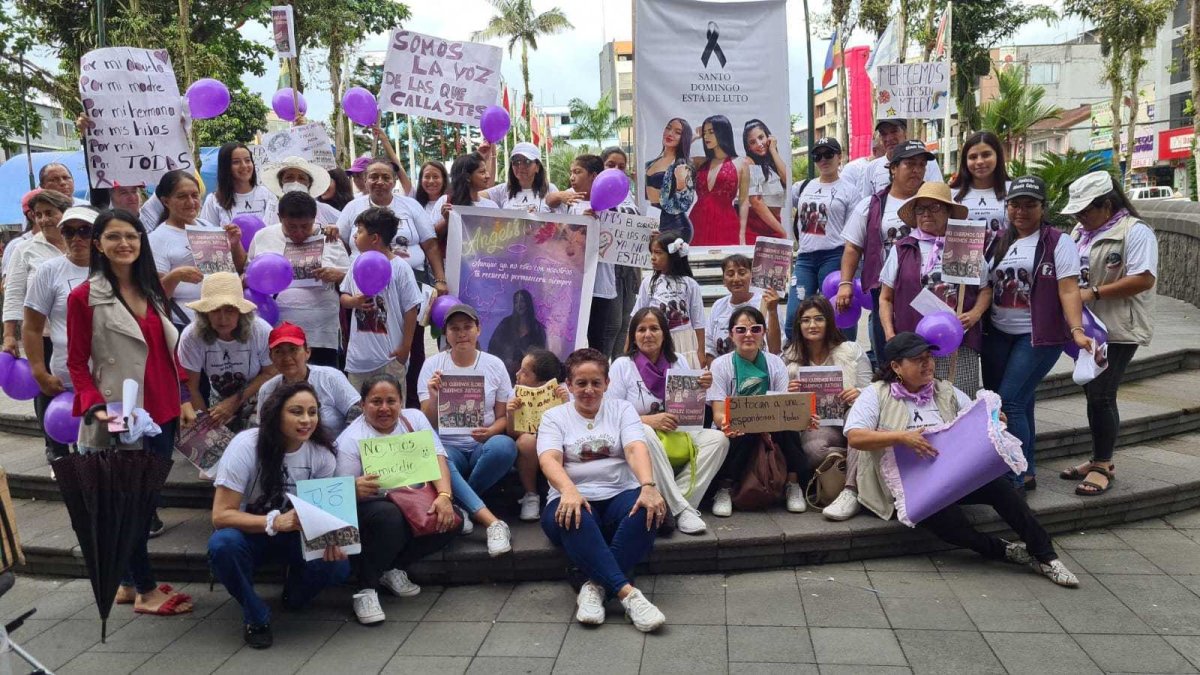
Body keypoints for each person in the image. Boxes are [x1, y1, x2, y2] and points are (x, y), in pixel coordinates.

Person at [843, 332, 1080, 587]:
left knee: (1002, 488)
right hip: (909, 487)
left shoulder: (944, 390)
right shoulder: (876, 394)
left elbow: (974, 419)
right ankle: (1002, 550)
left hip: (952, 477)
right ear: (896, 366)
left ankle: (1046, 555)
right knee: (949, 523)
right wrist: (901, 438)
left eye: (929, 357)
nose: (928, 364)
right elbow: (855, 437)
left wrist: (994, 420)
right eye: (917, 360)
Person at [67, 208, 195, 613]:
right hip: (120, 414)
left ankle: (125, 581)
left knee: (143, 499)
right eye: (114, 237)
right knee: (134, 506)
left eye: (132, 236)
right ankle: (145, 590)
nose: (124, 244)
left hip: (162, 412)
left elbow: (166, 353)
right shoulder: (84, 297)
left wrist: (185, 397)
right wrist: (96, 408)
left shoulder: (151, 289)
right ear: (99, 244)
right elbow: (75, 362)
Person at [209, 382, 352, 648]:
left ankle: (294, 594)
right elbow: (220, 516)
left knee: (339, 564)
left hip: (297, 535)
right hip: (249, 533)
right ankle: (256, 615)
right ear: (276, 413)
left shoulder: (322, 453)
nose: (306, 420)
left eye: (312, 412)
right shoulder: (245, 445)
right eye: (296, 411)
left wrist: (334, 538)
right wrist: (274, 521)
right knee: (222, 544)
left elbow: (324, 510)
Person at [537, 348, 668, 632]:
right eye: (581, 383)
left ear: (607, 383)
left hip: (620, 493)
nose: (589, 390)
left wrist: (647, 485)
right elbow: (549, 458)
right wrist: (569, 490)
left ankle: (593, 588)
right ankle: (629, 596)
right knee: (572, 515)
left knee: (649, 510)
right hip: (572, 495)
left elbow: (635, 448)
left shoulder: (622, 409)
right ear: (568, 385)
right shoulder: (554, 417)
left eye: (596, 382)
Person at [982, 176, 1092, 492]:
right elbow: (986, 285)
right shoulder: (998, 241)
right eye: (1016, 204)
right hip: (999, 333)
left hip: (1038, 336)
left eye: (1030, 204)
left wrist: (1076, 330)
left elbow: (1069, 289)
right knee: (1021, 401)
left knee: (1009, 402)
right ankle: (1027, 468)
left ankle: (1013, 476)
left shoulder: (1058, 242)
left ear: (1043, 207)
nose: (1022, 211)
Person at [1058, 171, 1159, 496]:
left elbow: (1144, 278)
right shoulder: (1080, 231)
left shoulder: (1135, 232)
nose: (1079, 217)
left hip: (1118, 328)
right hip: (1089, 326)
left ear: (1107, 204)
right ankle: (1099, 459)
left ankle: (1103, 465)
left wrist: (1094, 293)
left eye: (1085, 211)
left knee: (1102, 394)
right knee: (1093, 391)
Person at [334, 374, 459, 624]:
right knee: (389, 517)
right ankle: (366, 589)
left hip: (413, 498)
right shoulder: (350, 440)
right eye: (375, 402)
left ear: (401, 402)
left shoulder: (414, 418)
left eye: (391, 401)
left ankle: (391, 568)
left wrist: (444, 496)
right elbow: (340, 499)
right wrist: (353, 488)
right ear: (362, 404)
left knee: (452, 519)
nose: (384, 408)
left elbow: (437, 457)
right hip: (371, 508)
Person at [609, 308, 729, 535]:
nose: (648, 334)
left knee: (719, 439)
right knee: (641, 430)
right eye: (641, 329)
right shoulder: (622, 366)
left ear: (664, 333)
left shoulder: (679, 361)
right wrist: (649, 420)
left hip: (677, 433)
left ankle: (677, 504)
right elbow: (612, 416)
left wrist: (702, 388)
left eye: (654, 328)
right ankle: (682, 510)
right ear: (633, 335)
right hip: (640, 440)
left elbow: (690, 409)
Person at [418, 304, 515, 555]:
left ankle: (461, 503)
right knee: (437, 455)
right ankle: (491, 521)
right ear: (445, 334)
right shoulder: (432, 367)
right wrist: (434, 395)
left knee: (505, 447)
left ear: (478, 330)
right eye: (454, 328)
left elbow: (504, 418)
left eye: (467, 327)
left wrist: (492, 430)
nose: (462, 333)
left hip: (482, 444)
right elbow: (426, 424)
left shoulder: (494, 365)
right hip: (449, 446)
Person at [879, 182, 991, 394]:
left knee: (960, 401)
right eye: (920, 209)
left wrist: (975, 314)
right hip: (914, 344)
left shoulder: (964, 243)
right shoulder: (903, 248)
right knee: (918, 400)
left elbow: (985, 288)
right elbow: (886, 297)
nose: (926, 214)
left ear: (949, 211)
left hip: (958, 341)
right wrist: (889, 333)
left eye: (934, 207)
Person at [837, 140, 935, 364]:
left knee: (926, 352)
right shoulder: (871, 205)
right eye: (910, 164)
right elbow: (853, 246)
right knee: (889, 352)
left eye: (921, 164)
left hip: (928, 288)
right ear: (893, 168)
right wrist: (845, 283)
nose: (917, 170)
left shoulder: (936, 201)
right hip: (885, 292)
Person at [775, 296, 873, 520]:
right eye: (806, 320)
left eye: (819, 319)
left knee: (860, 423)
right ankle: (857, 459)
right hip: (814, 424)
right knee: (814, 450)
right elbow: (778, 404)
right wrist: (790, 394)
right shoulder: (788, 359)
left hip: (848, 417)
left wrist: (859, 393)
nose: (812, 325)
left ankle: (850, 491)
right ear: (798, 325)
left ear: (829, 321)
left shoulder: (851, 350)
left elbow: (872, 392)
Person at [707, 307, 810, 515]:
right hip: (736, 427)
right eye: (741, 329)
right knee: (741, 429)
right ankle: (725, 487)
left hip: (772, 425)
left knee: (790, 425)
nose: (748, 335)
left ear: (763, 332)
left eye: (755, 329)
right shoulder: (719, 365)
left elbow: (783, 405)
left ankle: (793, 483)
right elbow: (718, 413)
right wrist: (730, 423)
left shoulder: (775, 362)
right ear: (731, 334)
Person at [23, 206, 96, 464]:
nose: (76, 238)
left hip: (112, 379)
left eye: (85, 231)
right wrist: (38, 371)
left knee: (112, 450)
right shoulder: (49, 270)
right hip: (67, 379)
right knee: (81, 451)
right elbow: (32, 326)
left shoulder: (115, 267)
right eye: (68, 231)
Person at [248, 192, 350, 368]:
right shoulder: (263, 237)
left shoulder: (329, 238)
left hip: (321, 335)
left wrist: (337, 276)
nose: (299, 232)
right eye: (292, 227)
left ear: (314, 218)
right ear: (280, 218)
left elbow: (351, 283)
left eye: (305, 226)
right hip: (277, 333)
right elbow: (249, 274)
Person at [339, 207, 423, 393]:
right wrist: (354, 302)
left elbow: (411, 309)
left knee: (391, 408)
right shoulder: (357, 263)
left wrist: (405, 348)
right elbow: (344, 297)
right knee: (358, 408)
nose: (354, 237)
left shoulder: (400, 268)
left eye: (359, 232)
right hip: (358, 359)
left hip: (390, 357)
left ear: (375, 238)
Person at [337, 159, 449, 298]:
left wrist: (440, 280)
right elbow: (341, 244)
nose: (379, 181)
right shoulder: (352, 207)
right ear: (365, 180)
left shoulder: (411, 205)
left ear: (394, 181)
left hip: (413, 279)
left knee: (413, 319)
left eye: (386, 177)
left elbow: (431, 245)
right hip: (365, 282)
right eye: (374, 177)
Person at [178, 273, 276, 430]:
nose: (222, 319)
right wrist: (206, 428)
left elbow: (271, 373)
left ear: (241, 311)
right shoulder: (191, 336)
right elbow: (191, 387)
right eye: (215, 310)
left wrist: (234, 401)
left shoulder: (260, 330)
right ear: (205, 313)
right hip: (218, 397)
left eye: (230, 310)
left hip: (259, 394)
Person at [150, 170, 247, 324]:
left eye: (195, 195)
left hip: (221, 320)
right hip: (186, 321)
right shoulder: (157, 239)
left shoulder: (207, 226)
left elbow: (237, 267)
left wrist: (235, 244)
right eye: (182, 196)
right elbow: (156, 295)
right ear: (165, 201)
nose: (190, 202)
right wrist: (176, 275)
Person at [787, 138, 859, 341]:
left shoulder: (850, 191)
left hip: (835, 256)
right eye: (818, 156)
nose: (823, 160)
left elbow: (854, 233)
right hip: (804, 258)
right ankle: (800, 360)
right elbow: (777, 197)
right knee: (794, 315)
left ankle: (845, 355)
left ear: (840, 157)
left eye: (829, 154)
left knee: (839, 313)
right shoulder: (801, 187)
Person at [554, 154, 623, 357]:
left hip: (600, 285)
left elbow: (623, 238)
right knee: (569, 334)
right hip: (572, 283)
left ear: (594, 176)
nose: (572, 177)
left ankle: (597, 375)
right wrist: (576, 221)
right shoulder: (569, 201)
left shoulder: (612, 205)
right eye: (571, 172)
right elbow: (552, 217)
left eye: (578, 172)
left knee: (597, 336)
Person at [257, 322, 361, 437]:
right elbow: (263, 431)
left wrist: (345, 445)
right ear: (271, 357)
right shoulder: (267, 390)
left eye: (293, 349)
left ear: (307, 352)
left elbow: (357, 411)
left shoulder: (330, 377)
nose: (286, 357)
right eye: (279, 351)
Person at [3, 190, 72, 357]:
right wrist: (9, 335)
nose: (43, 220)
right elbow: (14, 293)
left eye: (49, 213)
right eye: (38, 215)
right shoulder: (25, 250)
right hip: (43, 336)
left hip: (84, 331)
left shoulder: (81, 244)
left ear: (65, 214)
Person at [506, 348, 568, 521]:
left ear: (541, 381)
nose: (517, 374)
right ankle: (531, 495)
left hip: (558, 446)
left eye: (525, 373)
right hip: (532, 449)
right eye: (519, 369)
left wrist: (566, 403)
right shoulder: (516, 394)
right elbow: (512, 433)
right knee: (525, 441)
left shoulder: (562, 392)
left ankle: (562, 491)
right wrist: (511, 414)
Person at [630, 232, 706, 368]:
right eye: (652, 253)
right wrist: (629, 346)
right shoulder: (648, 283)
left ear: (672, 256)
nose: (653, 258)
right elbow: (636, 316)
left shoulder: (690, 284)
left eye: (658, 253)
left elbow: (698, 320)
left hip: (684, 341)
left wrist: (700, 351)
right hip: (657, 339)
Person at [601, 147, 644, 360]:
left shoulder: (629, 193)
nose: (616, 169)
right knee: (612, 323)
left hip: (630, 265)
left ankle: (617, 367)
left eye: (621, 166)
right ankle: (603, 368)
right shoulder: (595, 190)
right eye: (611, 165)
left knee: (626, 321)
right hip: (609, 267)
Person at [949, 132, 1011, 259]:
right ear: (965, 161)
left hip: (1003, 263)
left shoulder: (1012, 189)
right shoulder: (952, 195)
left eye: (986, 155)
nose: (980, 161)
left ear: (998, 156)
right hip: (966, 267)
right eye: (972, 157)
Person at [691, 115, 751, 246]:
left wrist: (742, 235)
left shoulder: (741, 163)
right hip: (698, 222)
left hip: (726, 222)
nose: (706, 136)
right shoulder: (699, 162)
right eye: (704, 132)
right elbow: (675, 160)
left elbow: (744, 201)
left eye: (711, 132)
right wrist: (694, 137)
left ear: (723, 132)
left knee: (726, 263)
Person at [707, 254, 773, 362]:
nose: (736, 279)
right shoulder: (718, 306)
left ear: (752, 277)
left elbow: (775, 347)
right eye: (730, 274)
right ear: (723, 280)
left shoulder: (766, 301)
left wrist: (773, 311)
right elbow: (709, 347)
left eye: (742, 273)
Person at [858, 119, 943, 199]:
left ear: (905, 132)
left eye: (894, 131)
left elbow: (939, 195)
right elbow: (866, 205)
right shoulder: (872, 168)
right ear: (893, 169)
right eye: (884, 134)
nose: (889, 138)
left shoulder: (928, 162)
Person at [200, 142, 279, 226]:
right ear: (225, 167)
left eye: (247, 160)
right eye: (236, 162)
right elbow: (207, 236)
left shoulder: (268, 195)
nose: (244, 166)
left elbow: (277, 230)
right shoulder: (213, 201)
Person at [644, 118, 696, 240]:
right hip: (654, 221)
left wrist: (681, 184)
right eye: (668, 128)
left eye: (677, 132)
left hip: (676, 226)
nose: (670, 133)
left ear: (684, 138)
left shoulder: (683, 165)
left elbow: (684, 204)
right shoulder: (649, 164)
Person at [259, 156, 343, 230]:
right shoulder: (272, 211)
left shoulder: (324, 210)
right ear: (281, 183)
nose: (296, 182)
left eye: (302, 178)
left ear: (309, 184)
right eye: (289, 177)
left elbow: (344, 227)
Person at [741, 119, 789, 242]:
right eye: (752, 142)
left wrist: (773, 150)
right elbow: (756, 202)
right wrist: (782, 231)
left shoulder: (772, 164)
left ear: (768, 136)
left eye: (761, 137)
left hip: (774, 225)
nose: (759, 144)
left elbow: (787, 179)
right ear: (749, 147)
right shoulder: (750, 162)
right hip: (756, 227)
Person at [488, 289, 549, 379]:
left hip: (530, 377)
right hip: (504, 374)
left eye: (522, 301)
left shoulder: (537, 328)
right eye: (516, 302)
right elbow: (493, 348)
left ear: (528, 304)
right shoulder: (506, 324)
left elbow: (541, 356)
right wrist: (506, 361)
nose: (519, 305)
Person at [482, 142, 558, 212]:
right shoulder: (503, 190)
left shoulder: (550, 189)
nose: (521, 166)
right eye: (516, 162)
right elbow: (474, 196)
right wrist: (481, 158)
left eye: (527, 161)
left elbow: (561, 223)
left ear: (537, 167)